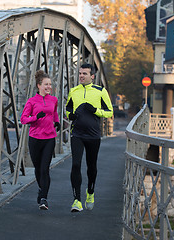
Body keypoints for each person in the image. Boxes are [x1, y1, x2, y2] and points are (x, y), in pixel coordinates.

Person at [65, 63, 113, 212]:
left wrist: (96, 110)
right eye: (80, 73)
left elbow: (109, 112)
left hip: (93, 135)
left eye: (84, 74)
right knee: (76, 165)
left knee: (91, 167)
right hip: (77, 134)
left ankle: (90, 192)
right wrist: (70, 115)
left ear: (92, 76)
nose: (81, 76)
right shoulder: (74, 91)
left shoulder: (100, 91)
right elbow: (68, 108)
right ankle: (77, 201)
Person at [20, 70, 60, 210]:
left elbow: (54, 113)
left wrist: (57, 121)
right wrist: (36, 117)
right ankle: (41, 189)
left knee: (45, 169)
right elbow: (23, 119)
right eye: (46, 84)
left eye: (50, 84)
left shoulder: (53, 100)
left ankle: (44, 198)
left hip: (49, 137)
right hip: (35, 139)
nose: (49, 87)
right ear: (39, 85)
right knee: (38, 169)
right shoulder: (32, 101)